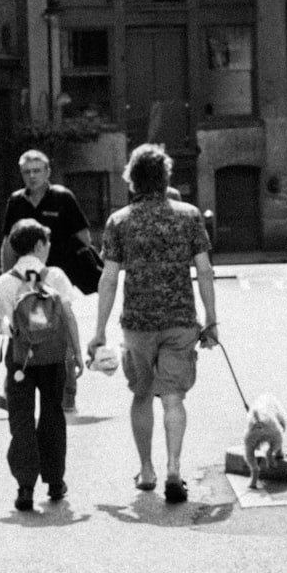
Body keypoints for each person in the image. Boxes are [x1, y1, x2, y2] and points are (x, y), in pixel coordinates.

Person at [87, 143, 218, 505]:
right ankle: (174, 468)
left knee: (142, 395)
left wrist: (99, 331)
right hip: (180, 322)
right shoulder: (189, 215)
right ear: (166, 178)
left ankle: (147, 470)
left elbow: (109, 279)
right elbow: (204, 271)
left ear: (132, 179)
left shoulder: (119, 221)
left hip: (138, 325)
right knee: (173, 398)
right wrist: (211, 319)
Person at [0, 219, 83, 512]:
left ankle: (25, 486)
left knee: (21, 419)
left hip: (20, 360)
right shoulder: (55, 276)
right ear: (40, 245)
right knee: (53, 414)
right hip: (54, 357)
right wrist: (77, 353)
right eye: (48, 243)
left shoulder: (6, 282)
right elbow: (67, 316)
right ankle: (55, 482)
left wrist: (17, 331)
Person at [0, 150, 92, 413]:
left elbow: (84, 238)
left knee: (59, 332)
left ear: (47, 172)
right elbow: (7, 243)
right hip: (23, 281)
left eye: (37, 170)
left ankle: (67, 392)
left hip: (55, 278)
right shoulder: (16, 201)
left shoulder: (63, 198)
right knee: (22, 333)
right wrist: (8, 276)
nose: (32, 176)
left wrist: (81, 268)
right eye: (27, 172)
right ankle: (12, 390)